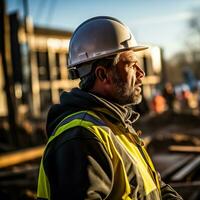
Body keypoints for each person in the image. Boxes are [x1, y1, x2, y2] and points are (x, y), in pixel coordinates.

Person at [37, 16, 182, 200]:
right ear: (103, 74)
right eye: (130, 64)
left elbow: (154, 187)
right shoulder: (81, 137)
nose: (141, 73)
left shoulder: (116, 126)